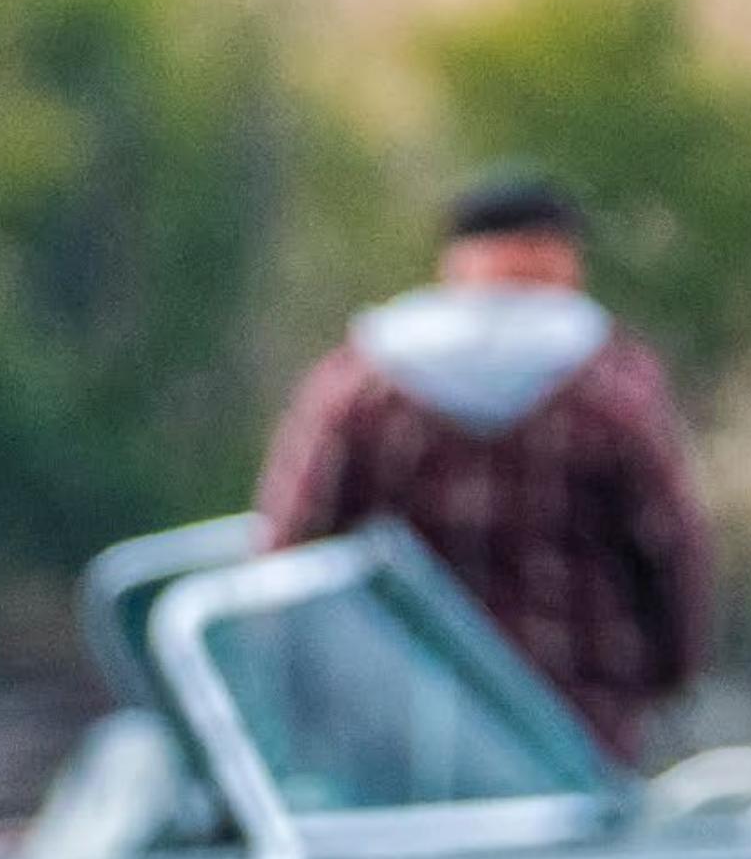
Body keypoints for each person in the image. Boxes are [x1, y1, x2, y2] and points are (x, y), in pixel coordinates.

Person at [257, 175, 711, 760]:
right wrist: (670, 672)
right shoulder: (611, 391)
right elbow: (670, 547)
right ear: (565, 262)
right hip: (572, 727)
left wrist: (293, 694)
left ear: (453, 264)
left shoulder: (361, 386)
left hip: (393, 729)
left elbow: (293, 545)